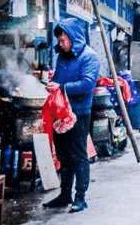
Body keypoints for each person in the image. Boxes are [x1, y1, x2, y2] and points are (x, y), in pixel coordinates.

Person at [43, 17, 101, 213]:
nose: (61, 44)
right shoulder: (62, 57)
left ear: (73, 38)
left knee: (78, 156)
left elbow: (87, 85)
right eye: (59, 41)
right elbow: (58, 81)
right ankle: (64, 194)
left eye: (63, 40)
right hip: (61, 114)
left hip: (79, 113)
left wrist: (61, 86)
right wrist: (53, 83)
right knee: (63, 156)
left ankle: (81, 197)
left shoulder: (89, 57)